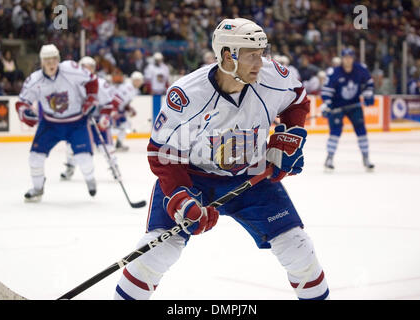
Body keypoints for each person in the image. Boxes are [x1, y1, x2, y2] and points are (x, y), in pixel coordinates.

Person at [114, 18, 330, 301]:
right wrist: (180, 197)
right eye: (252, 55)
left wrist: (285, 138)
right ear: (228, 56)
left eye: (262, 53)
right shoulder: (187, 95)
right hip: (194, 179)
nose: (260, 63)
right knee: (155, 253)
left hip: (252, 179)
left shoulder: (272, 77)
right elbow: (164, 154)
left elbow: (298, 100)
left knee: (299, 249)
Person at [16, 44, 99, 202]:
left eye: (54, 59)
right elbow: (22, 102)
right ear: (42, 62)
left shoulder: (71, 69)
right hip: (50, 124)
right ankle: (37, 188)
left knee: (84, 159)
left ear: (58, 59)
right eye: (47, 60)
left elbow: (92, 80)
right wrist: (25, 113)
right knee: (34, 157)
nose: (51, 63)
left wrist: (91, 98)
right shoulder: (35, 79)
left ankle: (90, 179)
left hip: (76, 122)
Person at [60, 56, 120, 180]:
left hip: (98, 120)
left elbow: (110, 103)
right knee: (72, 146)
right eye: (84, 67)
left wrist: (105, 116)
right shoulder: (73, 84)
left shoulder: (101, 83)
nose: (87, 70)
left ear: (93, 69)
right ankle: (70, 167)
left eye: (89, 67)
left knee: (107, 147)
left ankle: (114, 167)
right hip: (80, 121)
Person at [320, 47, 375, 171]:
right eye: (345, 57)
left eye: (350, 57)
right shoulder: (333, 72)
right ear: (342, 59)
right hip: (336, 106)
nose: (348, 60)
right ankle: (329, 158)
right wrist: (327, 104)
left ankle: (366, 158)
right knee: (335, 132)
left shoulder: (361, 69)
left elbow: (369, 84)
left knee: (361, 131)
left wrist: (368, 95)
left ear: (353, 58)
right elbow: (327, 90)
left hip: (354, 105)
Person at [112, 71, 143, 152]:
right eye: (137, 80)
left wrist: (130, 109)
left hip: (119, 109)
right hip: (114, 109)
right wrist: (114, 110)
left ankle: (118, 144)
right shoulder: (128, 88)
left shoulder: (133, 89)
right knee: (113, 127)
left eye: (140, 80)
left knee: (125, 125)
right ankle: (103, 143)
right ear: (133, 80)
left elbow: (125, 102)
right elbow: (116, 99)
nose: (139, 82)